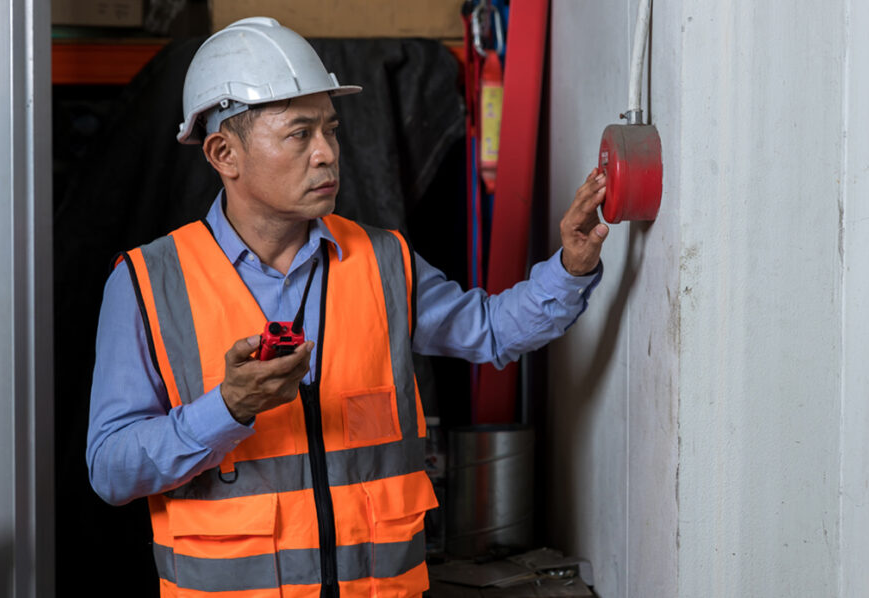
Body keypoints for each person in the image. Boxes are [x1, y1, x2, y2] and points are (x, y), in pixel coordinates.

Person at [86, 16, 608, 598]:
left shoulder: (384, 261)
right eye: (299, 133)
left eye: (331, 130)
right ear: (223, 153)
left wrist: (571, 266)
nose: (327, 154)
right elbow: (111, 469)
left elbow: (489, 331)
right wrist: (227, 408)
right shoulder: (147, 282)